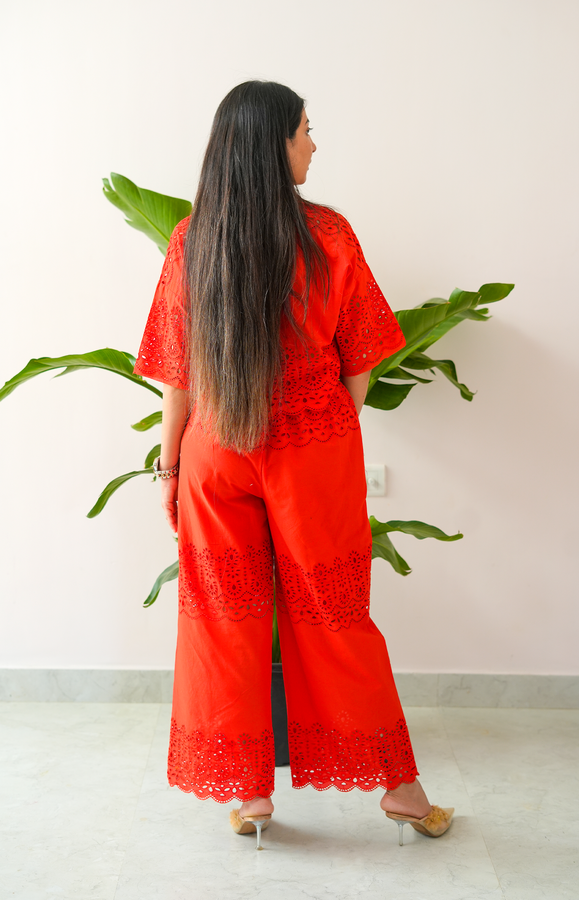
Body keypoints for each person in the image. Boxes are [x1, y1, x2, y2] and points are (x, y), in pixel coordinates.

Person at [133, 80, 453, 849]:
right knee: (335, 617)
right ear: (274, 144)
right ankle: (402, 794)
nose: (314, 143)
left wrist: (171, 471)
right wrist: (328, 418)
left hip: (215, 446)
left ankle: (248, 796)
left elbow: (177, 373)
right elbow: (362, 364)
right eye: (306, 130)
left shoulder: (191, 239)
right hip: (309, 449)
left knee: (222, 620)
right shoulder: (329, 236)